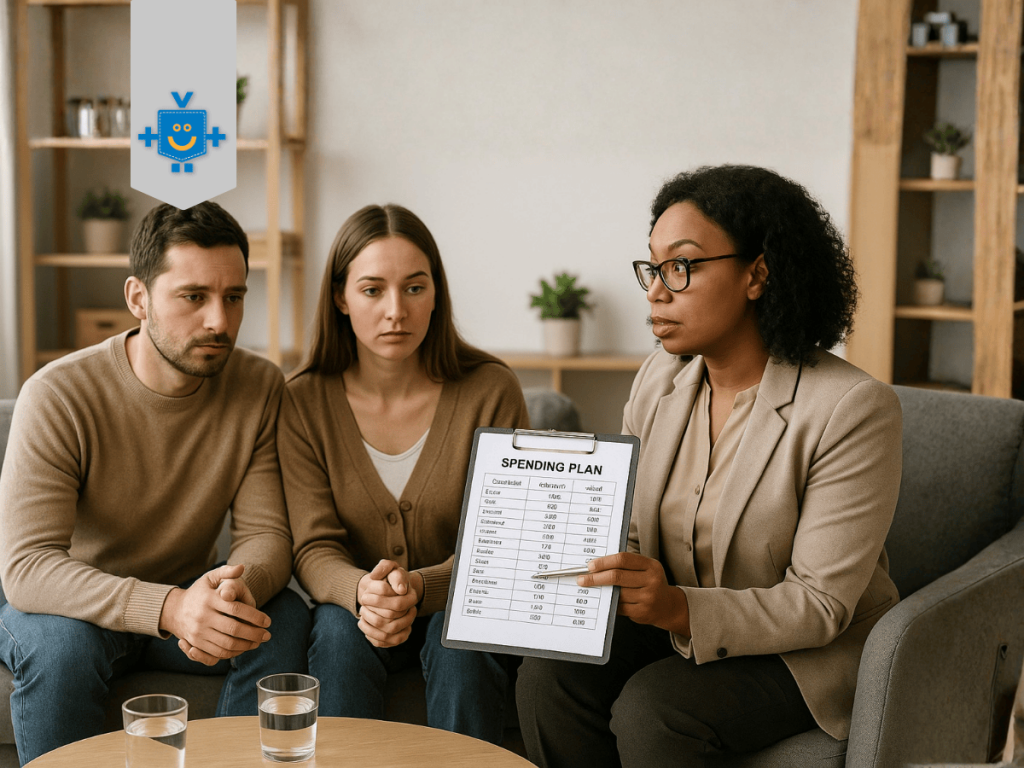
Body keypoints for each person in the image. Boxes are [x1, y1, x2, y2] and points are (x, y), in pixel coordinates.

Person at [516, 165, 903, 767]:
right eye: (653, 268)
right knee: (549, 675)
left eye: (682, 266)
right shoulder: (658, 379)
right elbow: (632, 531)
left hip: (805, 651)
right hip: (677, 620)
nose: (656, 291)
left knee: (653, 710)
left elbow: (819, 604)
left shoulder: (852, 408)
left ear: (757, 274)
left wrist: (677, 608)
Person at [0, 202, 310, 765]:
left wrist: (232, 593)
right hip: (72, 605)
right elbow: (28, 568)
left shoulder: (259, 386)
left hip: (189, 592)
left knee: (279, 616)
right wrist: (169, 608)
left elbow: (267, 534)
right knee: (62, 648)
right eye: (194, 296)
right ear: (138, 298)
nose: (219, 321)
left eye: (234, 297)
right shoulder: (57, 395)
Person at [280, 203, 529, 744]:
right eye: (372, 290)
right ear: (340, 297)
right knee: (337, 631)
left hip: (463, 605)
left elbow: (503, 546)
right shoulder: (302, 400)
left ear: (436, 294)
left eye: (415, 288)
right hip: (355, 613)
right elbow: (314, 547)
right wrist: (363, 593)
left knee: (460, 635)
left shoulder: (490, 390)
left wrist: (421, 587)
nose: (396, 310)